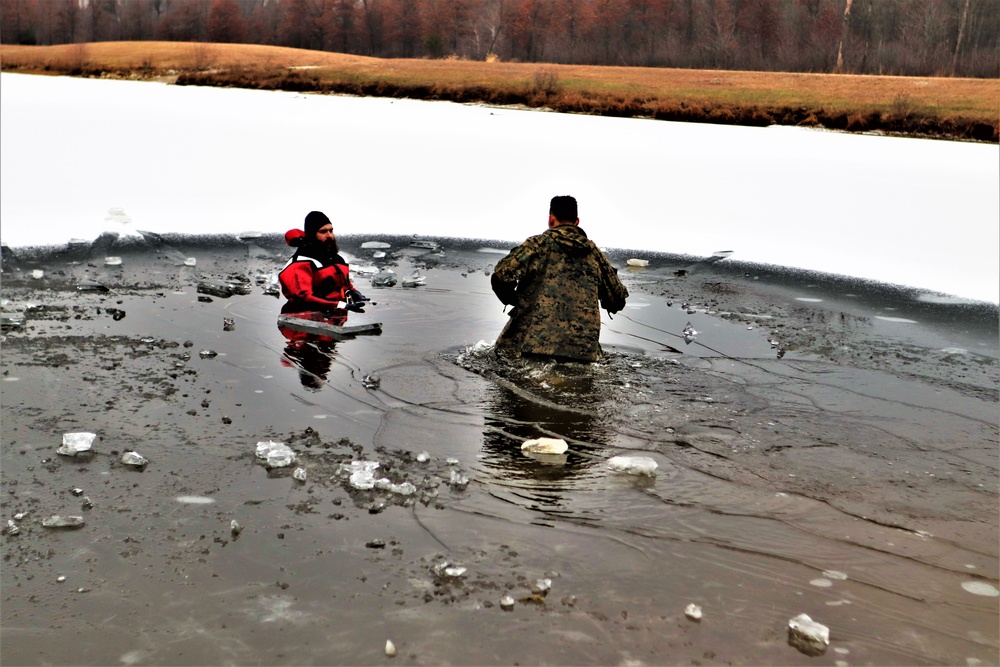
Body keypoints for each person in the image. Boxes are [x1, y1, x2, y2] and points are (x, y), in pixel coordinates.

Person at [491, 196, 628, 362]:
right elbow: (617, 298)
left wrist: (515, 301)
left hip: (531, 347)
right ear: (577, 221)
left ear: (550, 218)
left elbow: (501, 275)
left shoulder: (538, 245)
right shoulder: (594, 254)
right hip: (583, 352)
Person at [278, 210, 368, 314]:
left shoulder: (338, 260)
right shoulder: (299, 264)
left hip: (335, 317)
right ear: (312, 234)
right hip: (302, 321)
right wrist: (341, 305)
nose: (329, 235)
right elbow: (303, 297)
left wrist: (353, 292)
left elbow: (342, 285)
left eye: (331, 230)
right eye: (323, 231)